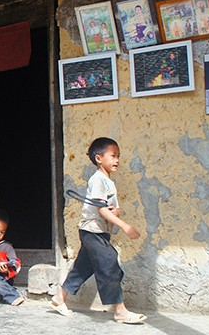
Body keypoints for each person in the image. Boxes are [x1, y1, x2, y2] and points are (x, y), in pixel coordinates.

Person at [50, 137, 147, 324]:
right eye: (113, 156)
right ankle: (120, 311)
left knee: (83, 268)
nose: (117, 160)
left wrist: (116, 212)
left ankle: (59, 297)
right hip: (92, 231)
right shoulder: (98, 180)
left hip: (97, 232)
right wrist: (124, 225)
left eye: (118, 156)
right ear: (98, 158)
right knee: (109, 265)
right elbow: (101, 210)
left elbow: (109, 208)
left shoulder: (107, 181)